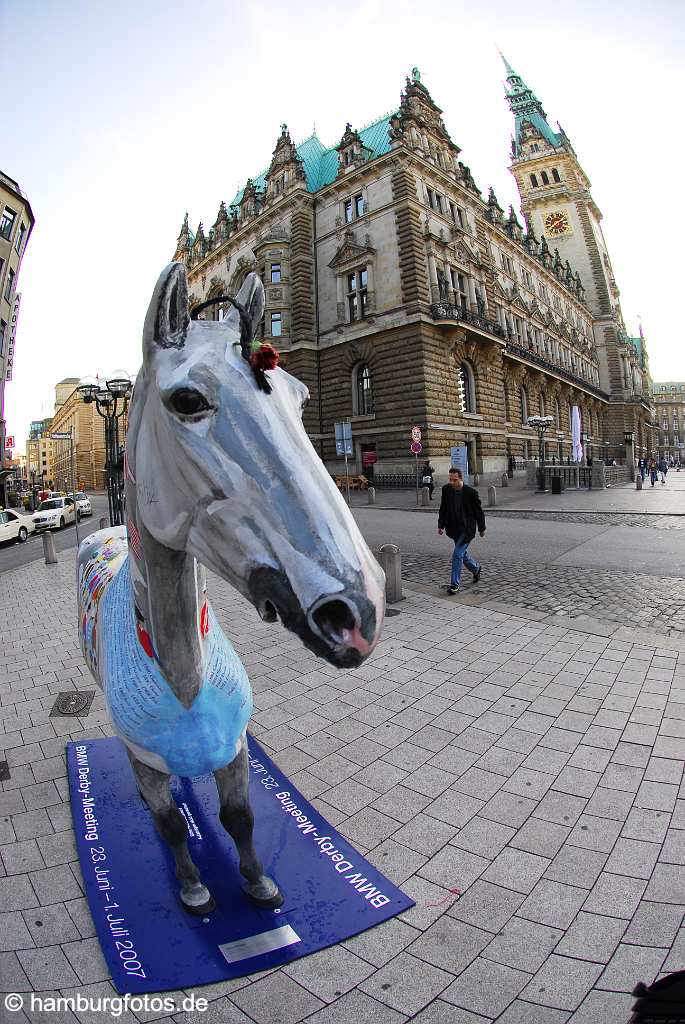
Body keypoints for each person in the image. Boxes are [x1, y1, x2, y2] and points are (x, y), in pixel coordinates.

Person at [438, 466, 485, 594]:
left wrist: (481, 528)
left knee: (457, 554)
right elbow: (443, 508)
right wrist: (440, 525)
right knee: (462, 554)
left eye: (454, 480)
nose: (452, 483)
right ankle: (476, 569)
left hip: (467, 528)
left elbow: (478, 511)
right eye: (450, 480)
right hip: (454, 528)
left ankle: (454, 585)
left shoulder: (471, 492)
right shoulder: (446, 490)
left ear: (460, 478)